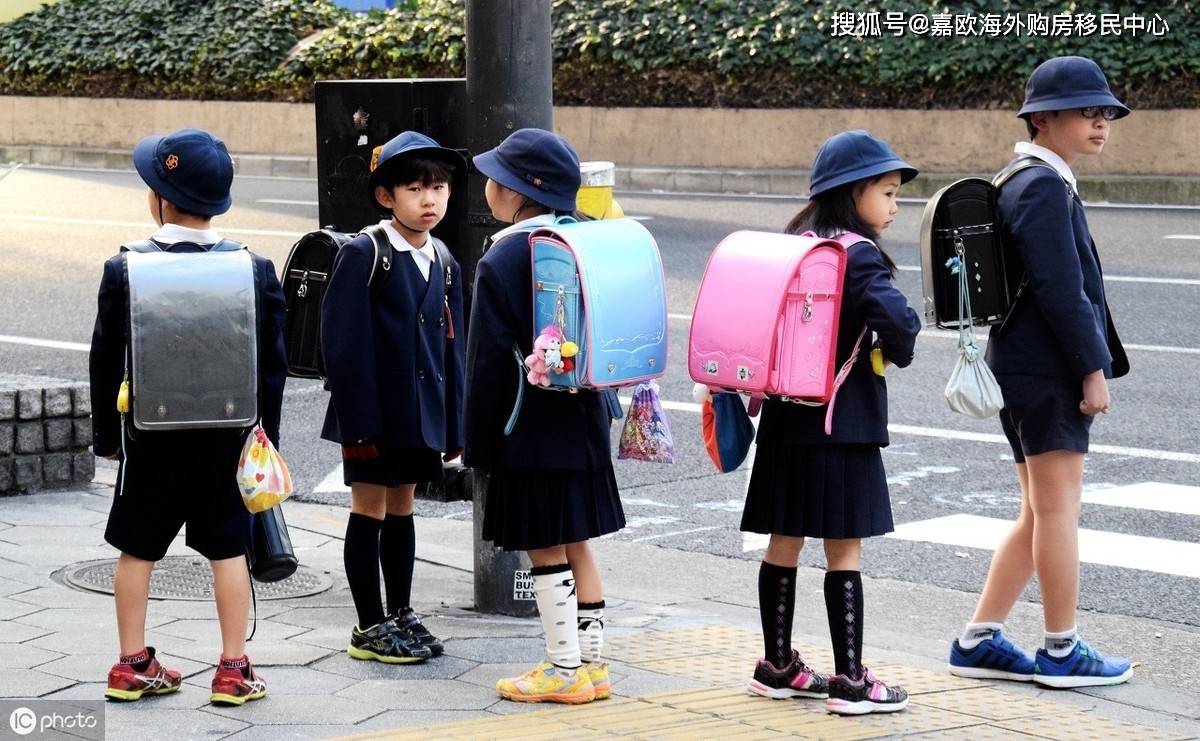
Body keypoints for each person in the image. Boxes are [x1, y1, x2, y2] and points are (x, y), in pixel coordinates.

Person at [949, 56, 1132, 689]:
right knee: (1058, 511)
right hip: (1046, 371)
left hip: (1020, 366)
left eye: (1106, 113)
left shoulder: (1022, 179)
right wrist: (1091, 369)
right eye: (1088, 112)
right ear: (1042, 119)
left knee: (1035, 511)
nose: (1101, 123)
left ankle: (979, 637)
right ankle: (1061, 649)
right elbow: (1061, 288)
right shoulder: (1043, 187)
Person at [91, 128, 286, 705]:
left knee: (137, 548)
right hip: (229, 436)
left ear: (162, 200)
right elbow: (270, 366)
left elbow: (105, 358)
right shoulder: (255, 268)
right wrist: (263, 437)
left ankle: (131, 663)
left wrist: (107, 434)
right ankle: (232, 668)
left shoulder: (125, 267)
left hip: (149, 434)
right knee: (230, 548)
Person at [740, 130, 921, 715]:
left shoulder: (794, 243)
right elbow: (899, 322)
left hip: (785, 421)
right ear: (854, 192)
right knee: (844, 551)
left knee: (783, 541)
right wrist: (901, 342)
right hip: (843, 426)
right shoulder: (858, 253)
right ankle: (850, 681)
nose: (894, 206)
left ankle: (778, 666)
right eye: (888, 193)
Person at [464, 128, 625, 704]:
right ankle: (594, 666)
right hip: (585, 420)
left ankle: (562, 668)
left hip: (525, 426)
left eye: (495, 175)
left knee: (544, 547)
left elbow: (486, 362)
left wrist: (476, 442)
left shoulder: (506, 253)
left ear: (514, 191)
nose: (488, 184)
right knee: (578, 541)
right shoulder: (587, 239)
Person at [320, 131, 466, 664]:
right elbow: (342, 345)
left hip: (420, 414)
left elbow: (455, 347)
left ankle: (400, 611)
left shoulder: (445, 258)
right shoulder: (367, 253)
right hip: (372, 415)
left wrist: (455, 425)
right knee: (369, 510)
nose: (430, 201)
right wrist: (360, 423)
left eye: (440, 188)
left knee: (404, 508)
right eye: (414, 189)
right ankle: (367, 623)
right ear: (386, 196)